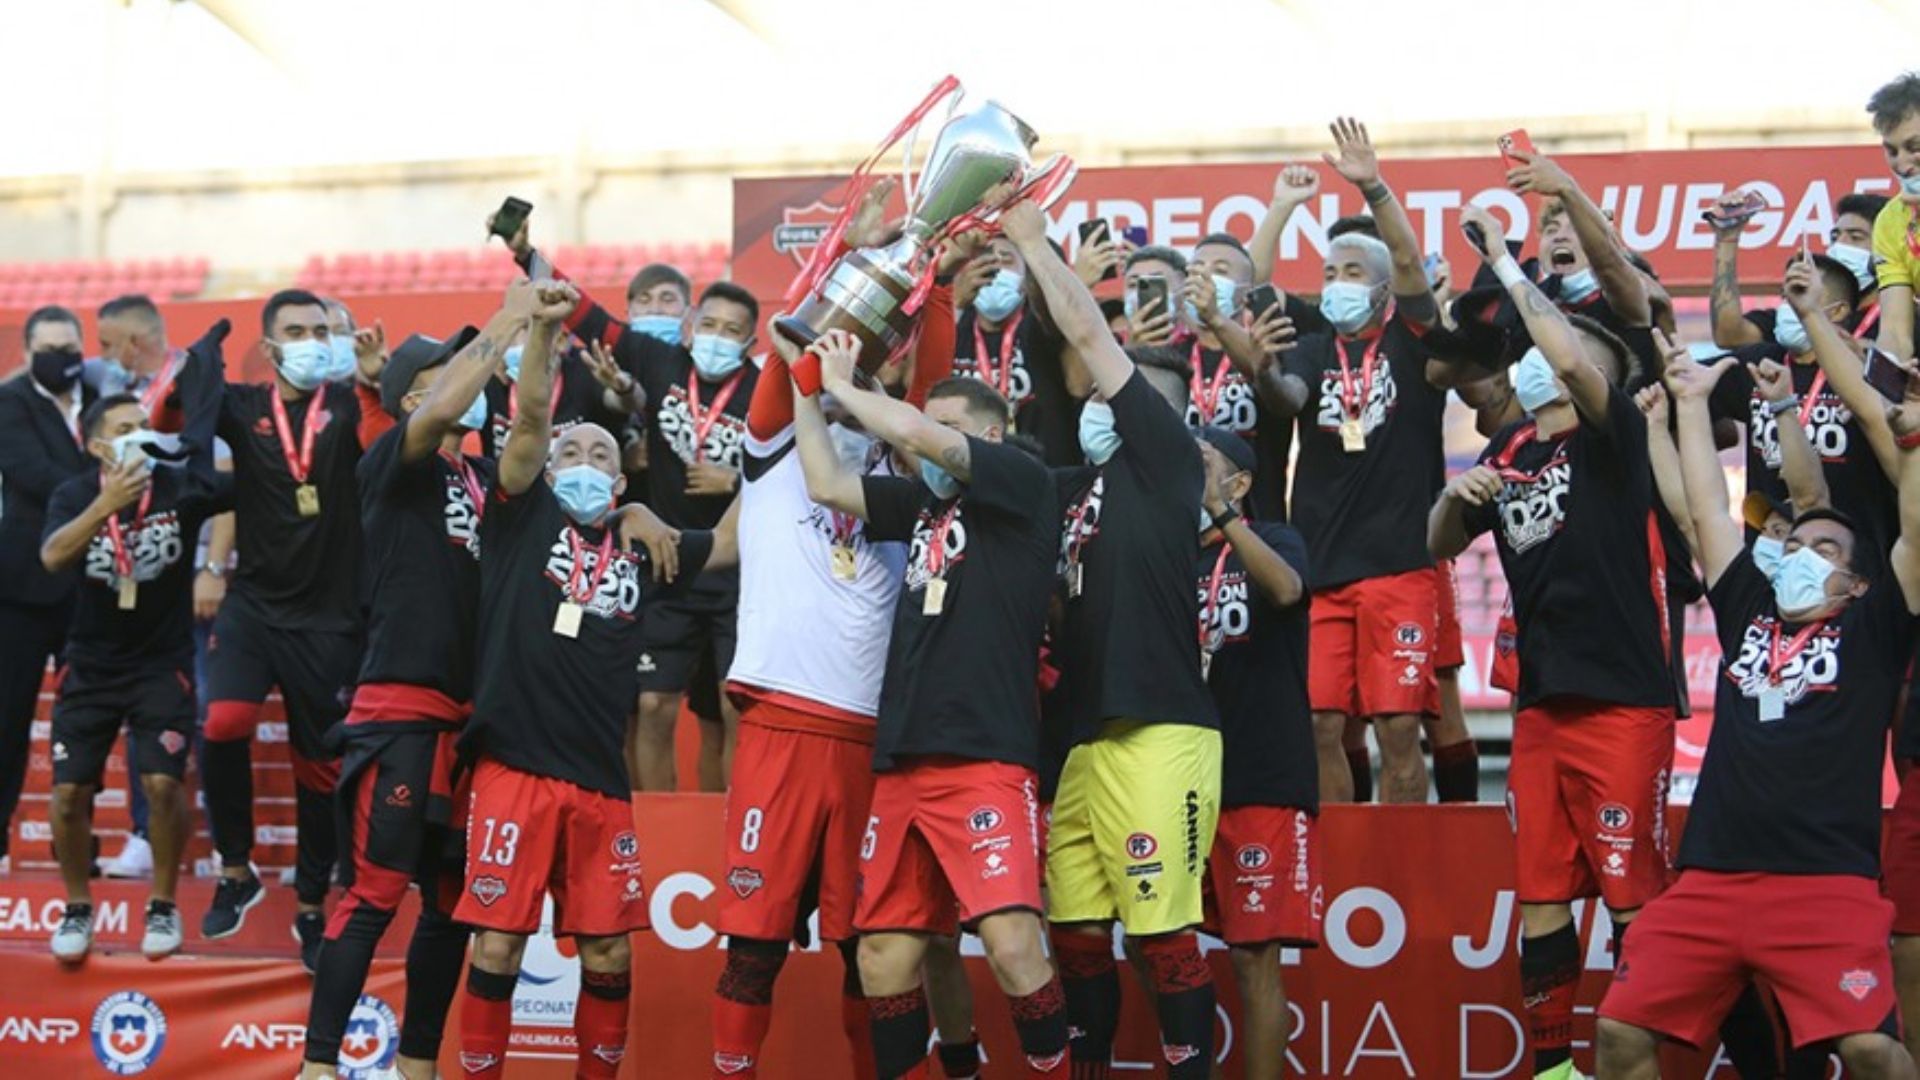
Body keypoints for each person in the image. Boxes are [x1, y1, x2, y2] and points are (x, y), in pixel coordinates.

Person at [1595, 336, 1920, 1080]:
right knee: (1618, 1034)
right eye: (1794, 543)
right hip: (1709, 880)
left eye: (1825, 549)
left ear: (1860, 582)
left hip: (1825, 886)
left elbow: (1915, 533)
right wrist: (1690, 402)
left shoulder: (1874, 627)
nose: (1800, 553)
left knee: (1873, 1052)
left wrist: (1916, 429)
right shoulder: (1750, 610)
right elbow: (1707, 505)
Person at [453, 284, 732, 1080]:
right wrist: (541, 333)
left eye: (600, 455)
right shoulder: (517, 517)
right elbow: (535, 420)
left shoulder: (647, 547)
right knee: (500, 942)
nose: (580, 462)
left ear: (622, 479)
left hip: (603, 786)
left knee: (609, 950)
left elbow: (739, 541)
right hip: (514, 769)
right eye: (570, 454)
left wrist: (700, 495)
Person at [1430, 205, 1679, 1080]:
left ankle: (1637, 1056)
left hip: (1622, 703)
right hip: (1540, 707)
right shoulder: (1509, 448)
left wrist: (1504, 259)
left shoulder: (1620, 442)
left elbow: (1574, 350)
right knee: (1540, 902)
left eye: (1556, 355)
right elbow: (1439, 544)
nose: (1541, 362)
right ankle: (1552, 1070)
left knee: (1633, 908)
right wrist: (1457, 502)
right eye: (1534, 353)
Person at [791, 329, 1067, 1078]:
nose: (929, 440)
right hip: (903, 757)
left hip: (985, 753)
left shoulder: (1022, 488)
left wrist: (850, 386)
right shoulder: (920, 505)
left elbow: (914, 432)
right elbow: (825, 484)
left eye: (950, 426)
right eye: (932, 423)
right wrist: (805, 391)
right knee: (884, 955)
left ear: (990, 435)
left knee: (1011, 946)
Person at [1000, 197, 1222, 1079]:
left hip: (1160, 728)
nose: (1092, 399)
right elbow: (1050, 364)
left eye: (1112, 394)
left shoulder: (1165, 467)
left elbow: (1091, 343)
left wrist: (1033, 241)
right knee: (1080, 935)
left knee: (1162, 930)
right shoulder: (1074, 485)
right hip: (1082, 736)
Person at [299, 299, 512, 1079]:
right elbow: (433, 412)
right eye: (447, 373)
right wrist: (508, 319)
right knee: (373, 896)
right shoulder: (393, 459)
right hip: (399, 712)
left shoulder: (485, 477)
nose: (471, 381)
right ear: (415, 399)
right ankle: (319, 1065)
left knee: (451, 904)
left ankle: (417, 1062)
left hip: (473, 723)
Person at [500, 213, 754, 794]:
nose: (717, 335)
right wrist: (525, 255)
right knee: (654, 704)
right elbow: (585, 312)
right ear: (690, 327)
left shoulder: (763, 387)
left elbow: (787, 467)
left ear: (749, 340)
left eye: (731, 328)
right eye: (708, 322)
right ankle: (657, 836)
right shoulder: (659, 360)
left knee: (735, 708)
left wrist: (735, 481)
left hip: (736, 568)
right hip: (663, 563)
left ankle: (733, 839)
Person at [1266, 119, 1465, 805]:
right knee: (1322, 723)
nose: (1337, 283)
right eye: (1329, 273)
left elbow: (1411, 268)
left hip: (1400, 567)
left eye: (1353, 272)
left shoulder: (1413, 340)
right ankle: (1343, 860)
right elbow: (1284, 388)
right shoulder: (1315, 348)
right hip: (1323, 568)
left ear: (1382, 289)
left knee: (1399, 726)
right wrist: (1261, 366)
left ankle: (1404, 861)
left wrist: (1374, 186)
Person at [195, 289, 369, 967]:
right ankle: (235, 872)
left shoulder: (355, 406)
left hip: (331, 620)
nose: (312, 340)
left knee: (320, 769)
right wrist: (201, 359)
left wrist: (375, 376)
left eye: (321, 329)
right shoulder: (243, 409)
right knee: (222, 721)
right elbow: (188, 414)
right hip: (256, 606)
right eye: (296, 330)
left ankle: (310, 901)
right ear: (270, 348)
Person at [38, 370, 225, 962]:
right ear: (98, 446)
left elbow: (240, 492)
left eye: (144, 426)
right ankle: (76, 906)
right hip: (89, 665)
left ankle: (163, 903)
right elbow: (51, 557)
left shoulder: (178, 485)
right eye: (125, 430)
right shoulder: (72, 493)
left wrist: (213, 568)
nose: (140, 436)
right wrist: (106, 504)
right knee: (68, 796)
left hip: (161, 662)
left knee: (163, 783)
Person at [1189, 426, 1315, 1080]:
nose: (1187, 470)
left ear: (1240, 482)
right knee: (1168, 947)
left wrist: (1222, 516)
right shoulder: (1168, 552)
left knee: (1252, 957)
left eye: (1201, 461)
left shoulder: (1275, 538)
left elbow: (1288, 591)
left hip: (1262, 775)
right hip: (1181, 775)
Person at [0, 306, 93, 872]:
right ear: (29, 351)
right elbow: (31, 473)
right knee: (7, 717)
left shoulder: (101, 401)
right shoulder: (9, 404)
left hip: (91, 584)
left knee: (85, 720)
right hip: (21, 588)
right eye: (48, 347)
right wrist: (108, 482)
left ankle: (76, 843)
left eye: (68, 345)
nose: (60, 356)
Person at [946, 234, 1085, 465]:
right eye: (985, 261)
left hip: (1047, 474)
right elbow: (915, 383)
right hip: (971, 473)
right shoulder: (954, 324)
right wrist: (954, 303)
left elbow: (1079, 385)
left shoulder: (1041, 326)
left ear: (1026, 273)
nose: (996, 269)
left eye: (1006, 260)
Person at [1710, 192, 1887, 351]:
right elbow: (1730, 336)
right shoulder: (1797, 314)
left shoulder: (1900, 322)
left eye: (1855, 237)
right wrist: (1727, 239)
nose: (1840, 245)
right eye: (1835, 237)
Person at [1869, 72, 1920, 364]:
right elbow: (1896, 332)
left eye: (1915, 147)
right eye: (1891, 150)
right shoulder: (1890, 221)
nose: (1902, 164)